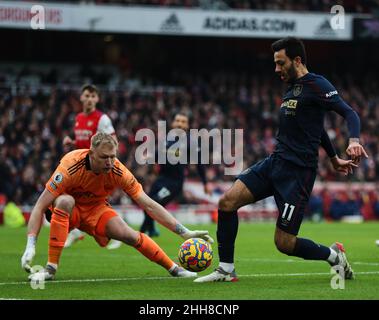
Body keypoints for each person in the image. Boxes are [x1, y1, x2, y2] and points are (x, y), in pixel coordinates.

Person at [195, 37, 368, 283]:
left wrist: (353, 140)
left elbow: (349, 112)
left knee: (284, 243)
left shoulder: (318, 84)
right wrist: (332, 158)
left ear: (297, 60)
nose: (276, 69)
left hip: (298, 174)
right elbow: (315, 128)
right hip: (275, 162)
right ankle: (226, 270)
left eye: (280, 63)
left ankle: (334, 256)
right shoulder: (291, 88)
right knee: (226, 202)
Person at [21, 132, 213, 281]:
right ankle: (50, 269)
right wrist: (31, 245)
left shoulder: (118, 170)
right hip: (71, 211)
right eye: (105, 157)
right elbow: (39, 206)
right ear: (91, 153)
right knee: (65, 201)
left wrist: (184, 232)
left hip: (96, 209)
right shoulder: (70, 166)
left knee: (129, 235)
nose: (110, 162)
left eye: (113, 156)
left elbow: (149, 205)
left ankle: (175, 269)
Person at [62, 84, 121, 250]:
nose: (89, 99)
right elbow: (84, 142)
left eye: (93, 96)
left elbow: (113, 142)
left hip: (96, 168)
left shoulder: (102, 119)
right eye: (86, 95)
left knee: (99, 202)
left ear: (97, 99)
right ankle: (74, 231)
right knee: (70, 195)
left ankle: (117, 232)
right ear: (81, 97)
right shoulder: (78, 117)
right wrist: (72, 142)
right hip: (80, 166)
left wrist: (108, 165)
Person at [140, 112, 212, 237]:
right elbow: (157, 155)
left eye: (183, 121)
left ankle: (141, 231)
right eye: (177, 120)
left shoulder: (191, 142)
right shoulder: (167, 139)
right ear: (173, 123)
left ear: (187, 125)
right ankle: (151, 229)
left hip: (174, 183)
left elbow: (199, 164)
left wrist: (205, 183)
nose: (179, 124)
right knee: (147, 204)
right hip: (161, 179)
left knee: (155, 202)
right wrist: (150, 156)